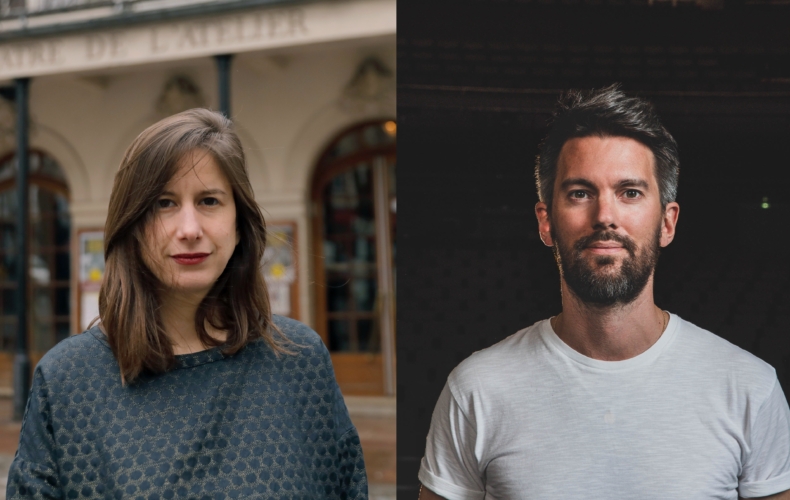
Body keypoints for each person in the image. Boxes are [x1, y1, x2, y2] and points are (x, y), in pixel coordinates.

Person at [417, 86, 790, 500]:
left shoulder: (750, 388)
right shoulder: (476, 390)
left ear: (667, 223)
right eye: (580, 193)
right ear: (546, 221)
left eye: (630, 192)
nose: (605, 217)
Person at [7, 109, 368, 499]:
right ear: (132, 223)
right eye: (164, 203)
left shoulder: (300, 361)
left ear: (238, 222)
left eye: (209, 200)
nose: (190, 229)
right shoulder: (68, 383)